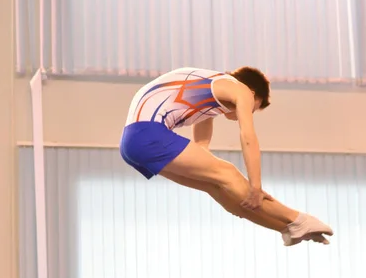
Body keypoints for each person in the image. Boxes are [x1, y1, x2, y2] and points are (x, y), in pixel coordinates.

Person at [120, 66, 333, 246]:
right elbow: (248, 137)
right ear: (251, 92)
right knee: (228, 173)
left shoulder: (208, 93)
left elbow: (201, 146)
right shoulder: (239, 88)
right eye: (253, 107)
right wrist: (255, 186)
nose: (248, 110)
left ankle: (285, 229)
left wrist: (228, 185)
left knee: (215, 186)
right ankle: (297, 218)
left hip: (132, 144)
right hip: (149, 134)